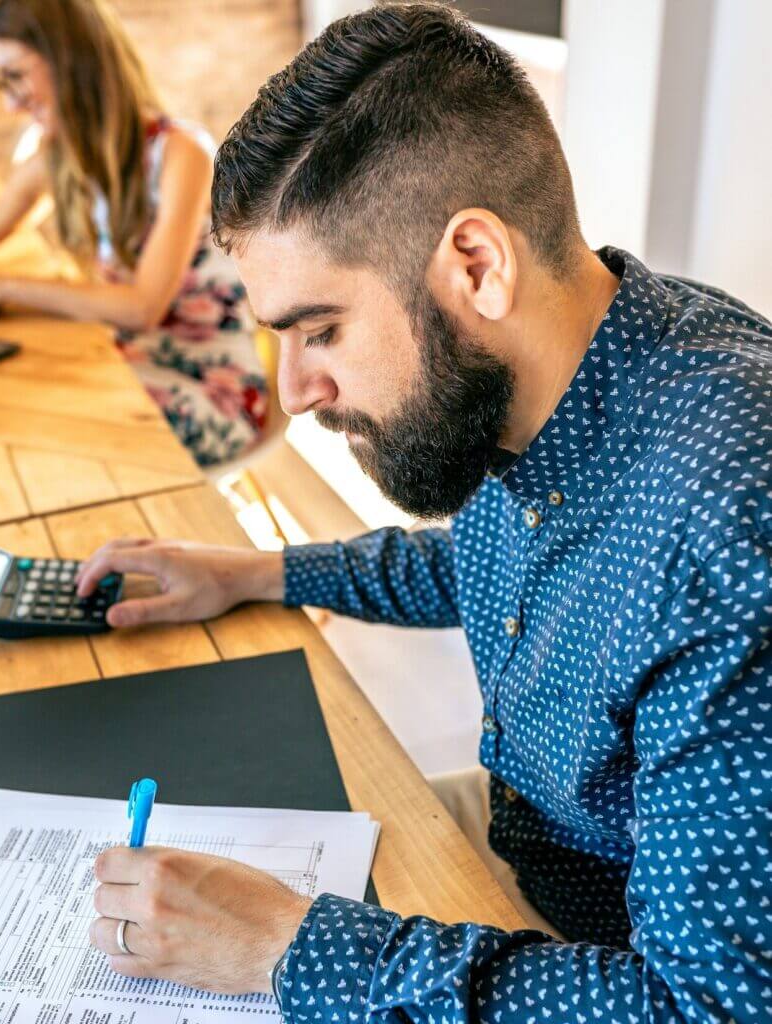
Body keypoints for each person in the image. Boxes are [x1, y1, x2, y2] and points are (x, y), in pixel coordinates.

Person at [82, 3, 772, 1021]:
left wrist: (291, 944)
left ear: (476, 265)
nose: (293, 391)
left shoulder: (724, 519)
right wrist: (253, 572)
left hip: (608, 962)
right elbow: (483, 559)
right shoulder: (573, 361)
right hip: (521, 853)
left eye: (318, 328)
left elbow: (704, 1006)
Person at [0, 0, 267, 468]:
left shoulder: (180, 153)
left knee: (35, 428)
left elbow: (142, 307)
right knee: (12, 400)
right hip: (136, 361)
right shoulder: (59, 156)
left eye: (16, 76)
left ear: (71, 60)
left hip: (211, 388)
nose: (10, 103)